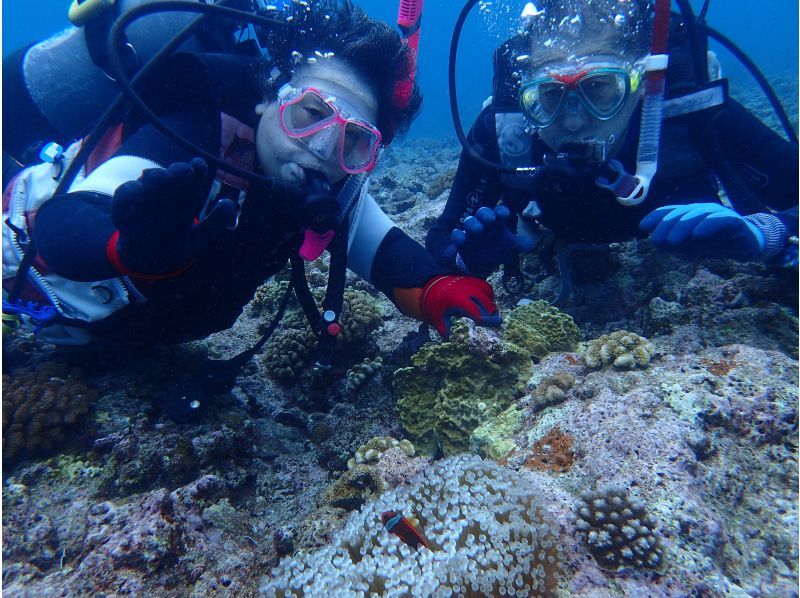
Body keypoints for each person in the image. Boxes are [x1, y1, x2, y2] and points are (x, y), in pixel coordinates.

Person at [2, 0, 502, 350]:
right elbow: (63, 221)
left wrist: (438, 288)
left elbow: (385, 251)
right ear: (267, 97)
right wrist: (125, 246)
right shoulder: (195, 133)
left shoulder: (333, 188)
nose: (324, 149)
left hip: (125, 340)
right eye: (309, 113)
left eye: (355, 140)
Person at [426, 0, 798, 292]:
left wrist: (769, 234)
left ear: (641, 84)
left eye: (599, 88)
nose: (572, 120)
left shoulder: (691, 114)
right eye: (551, 94)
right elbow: (441, 241)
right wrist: (465, 262)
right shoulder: (505, 132)